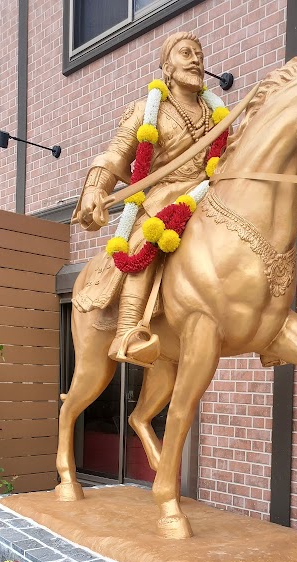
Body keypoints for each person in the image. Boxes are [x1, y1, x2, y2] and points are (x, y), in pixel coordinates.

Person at [73, 31, 214, 366]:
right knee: (142, 242)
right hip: (164, 200)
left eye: (199, 54)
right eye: (185, 53)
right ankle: (127, 331)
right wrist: (96, 188)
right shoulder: (146, 110)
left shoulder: (217, 118)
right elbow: (116, 154)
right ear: (166, 67)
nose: (195, 59)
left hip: (209, 195)